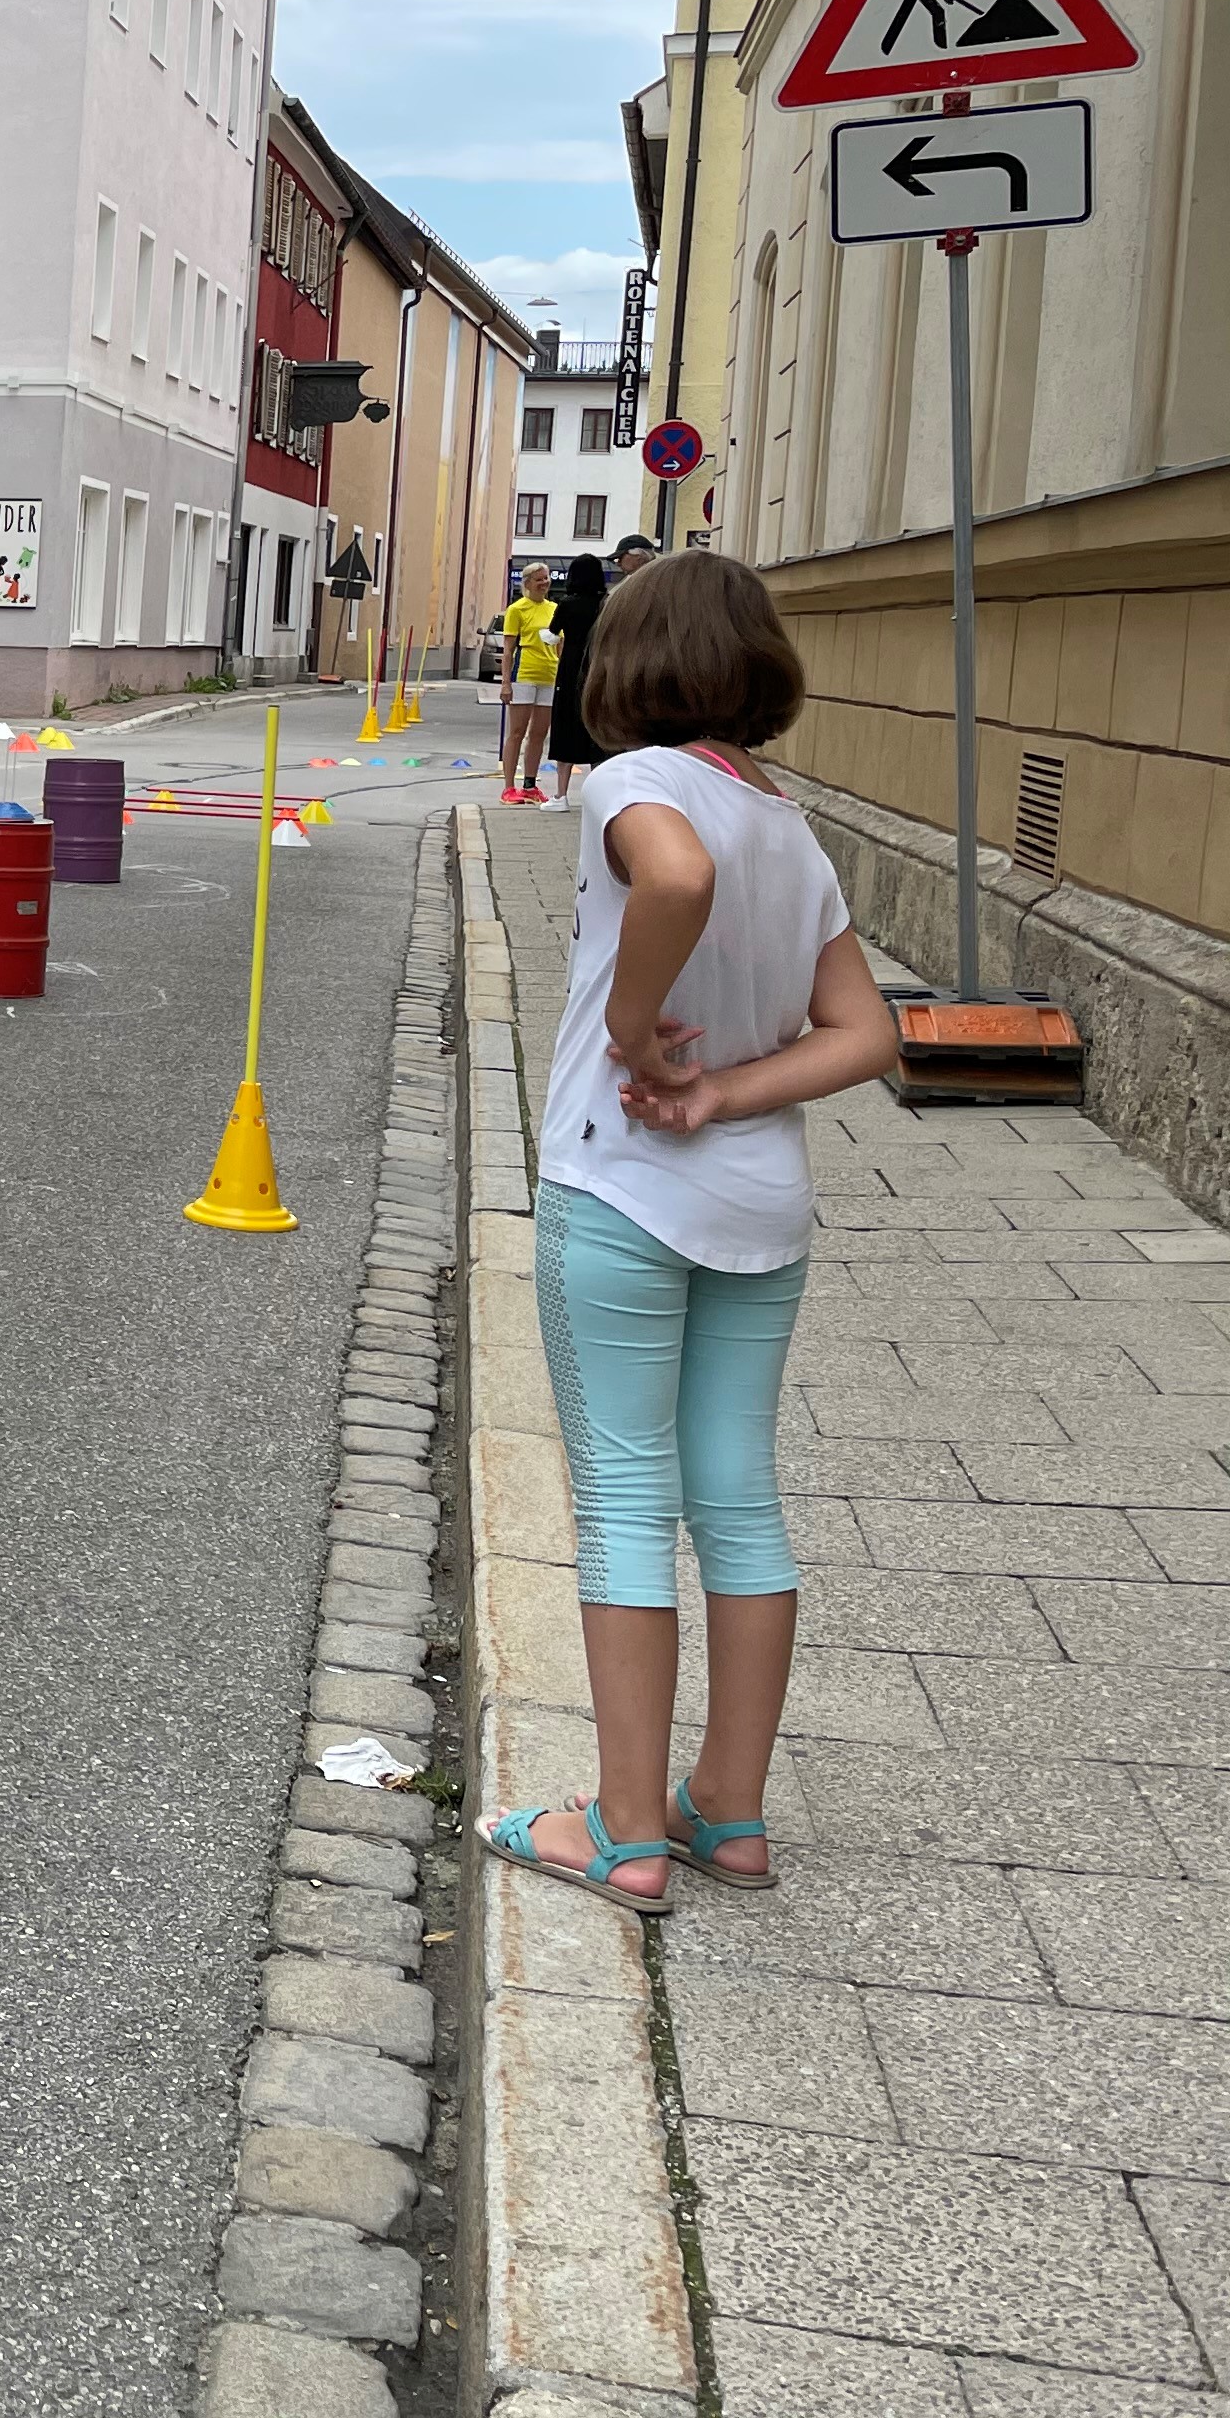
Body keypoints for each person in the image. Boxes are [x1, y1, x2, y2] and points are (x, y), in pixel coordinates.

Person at [478, 553, 900, 1916]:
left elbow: (670, 880)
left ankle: (623, 1830)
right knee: (737, 1495)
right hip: (759, 1202)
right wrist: (725, 1089)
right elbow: (868, 1036)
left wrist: (627, 1032)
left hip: (622, 1191)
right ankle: (731, 1810)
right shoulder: (790, 822)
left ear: (627, 663)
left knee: (620, 1498)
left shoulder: (634, 783)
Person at [542, 553, 611, 798]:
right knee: (596, 725)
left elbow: (551, 635)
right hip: (599, 665)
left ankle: (561, 795)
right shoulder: (606, 603)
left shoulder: (567, 604)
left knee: (566, 725)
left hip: (571, 666)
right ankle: (598, 794)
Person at [497, 564, 560, 803]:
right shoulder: (517, 610)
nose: (544, 583)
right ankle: (508, 787)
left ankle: (530, 785)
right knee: (517, 732)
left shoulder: (554, 609)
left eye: (546, 578)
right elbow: (508, 650)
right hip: (524, 674)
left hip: (549, 676)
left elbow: (559, 645)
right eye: (539, 580)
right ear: (527, 583)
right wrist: (505, 683)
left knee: (539, 734)